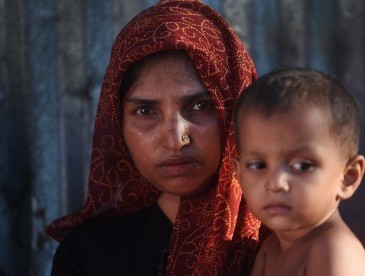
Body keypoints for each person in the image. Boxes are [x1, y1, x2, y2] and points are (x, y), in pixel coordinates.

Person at [47, 1, 263, 275]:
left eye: (200, 106)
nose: (175, 140)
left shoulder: (289, 247)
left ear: (235, 111)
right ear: (116, 126)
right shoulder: (88, 254)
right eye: (146, 111)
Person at [232, 67, 365, 275]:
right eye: (258, 165)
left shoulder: (333, 252)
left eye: (302, 166)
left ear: (347, 177)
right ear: (238, 175)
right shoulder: (270, 248)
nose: (276, 183)